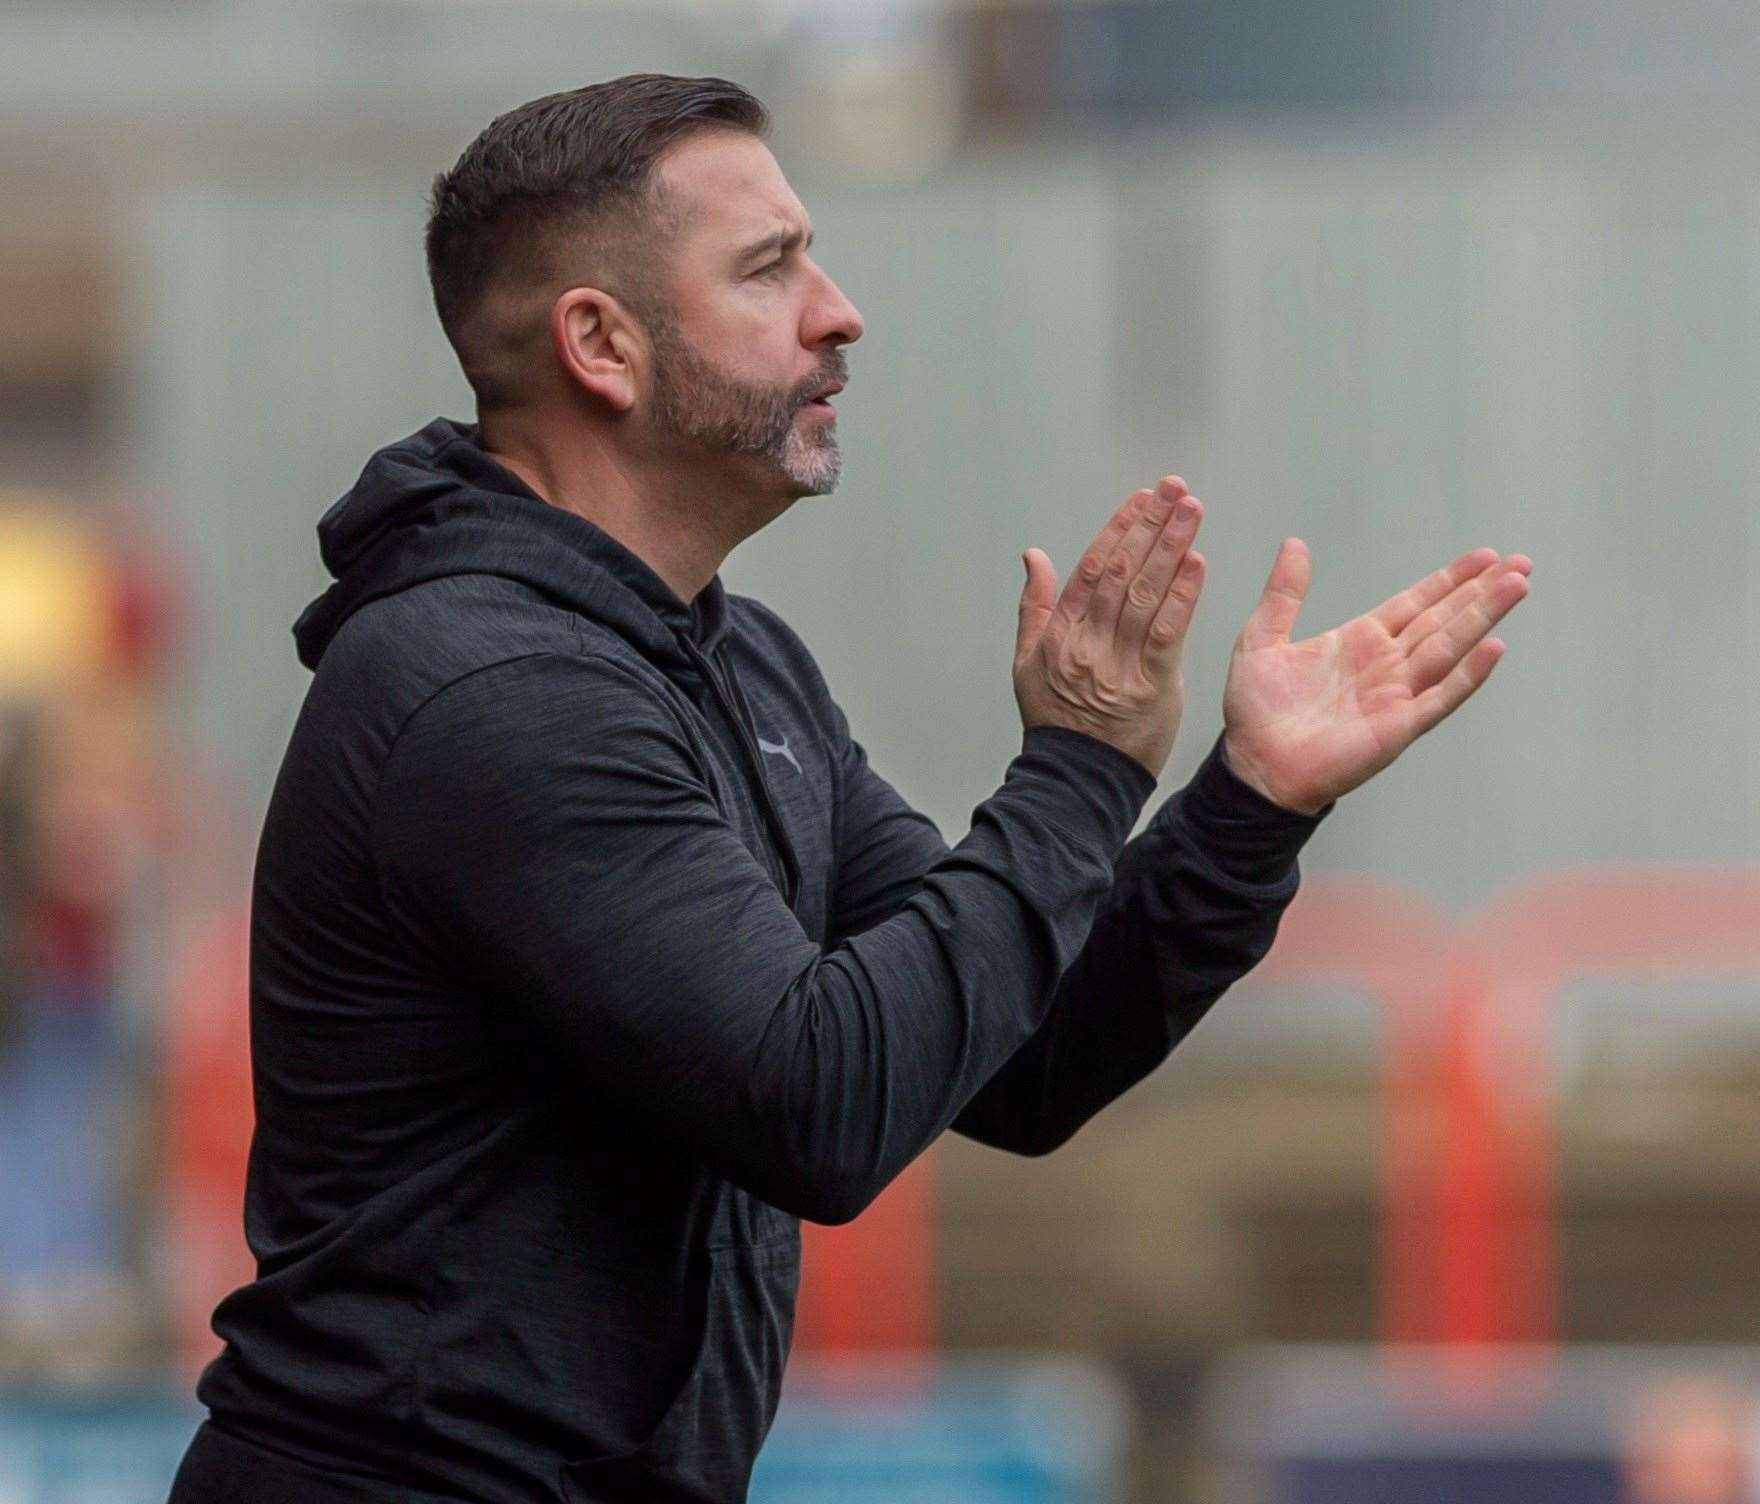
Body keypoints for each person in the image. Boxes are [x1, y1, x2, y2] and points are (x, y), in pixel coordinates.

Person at [166, 73, 1530, 1504]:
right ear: (601, 345)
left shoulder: (735, 663)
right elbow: (818, 1100)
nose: (840, 309)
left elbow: (1022, 1058)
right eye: (770, 267)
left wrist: (1249, 802)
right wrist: (1075, 765)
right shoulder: (493, 689)